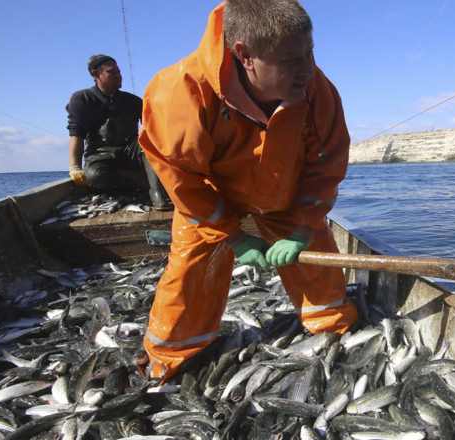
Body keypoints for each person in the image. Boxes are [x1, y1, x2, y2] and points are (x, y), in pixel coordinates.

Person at [139, 0, 358, 381]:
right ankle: (168, 361)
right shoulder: (180, 91)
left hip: (283, 192)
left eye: (310, 53)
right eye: (291, 60)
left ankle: (336, 335)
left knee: (317, 260)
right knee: (190, 272)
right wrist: (233, 237)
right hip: (211, 193)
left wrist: (303, 228)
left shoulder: (317, 89)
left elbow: (327, 166)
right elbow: (182, 181)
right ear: (245, 56)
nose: (307, 69)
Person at [66, 54, 171, 209]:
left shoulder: (133, 101)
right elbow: (77, 134)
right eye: (111, 72)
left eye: (119, 72)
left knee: (149, 142)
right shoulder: (82, 98)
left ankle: (156, 193)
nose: (118, 76)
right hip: (101, 154)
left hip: (131, 150)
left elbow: (155, 128)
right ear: (95, 74)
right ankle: (139, 183)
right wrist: (75, 167)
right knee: (95, 176)